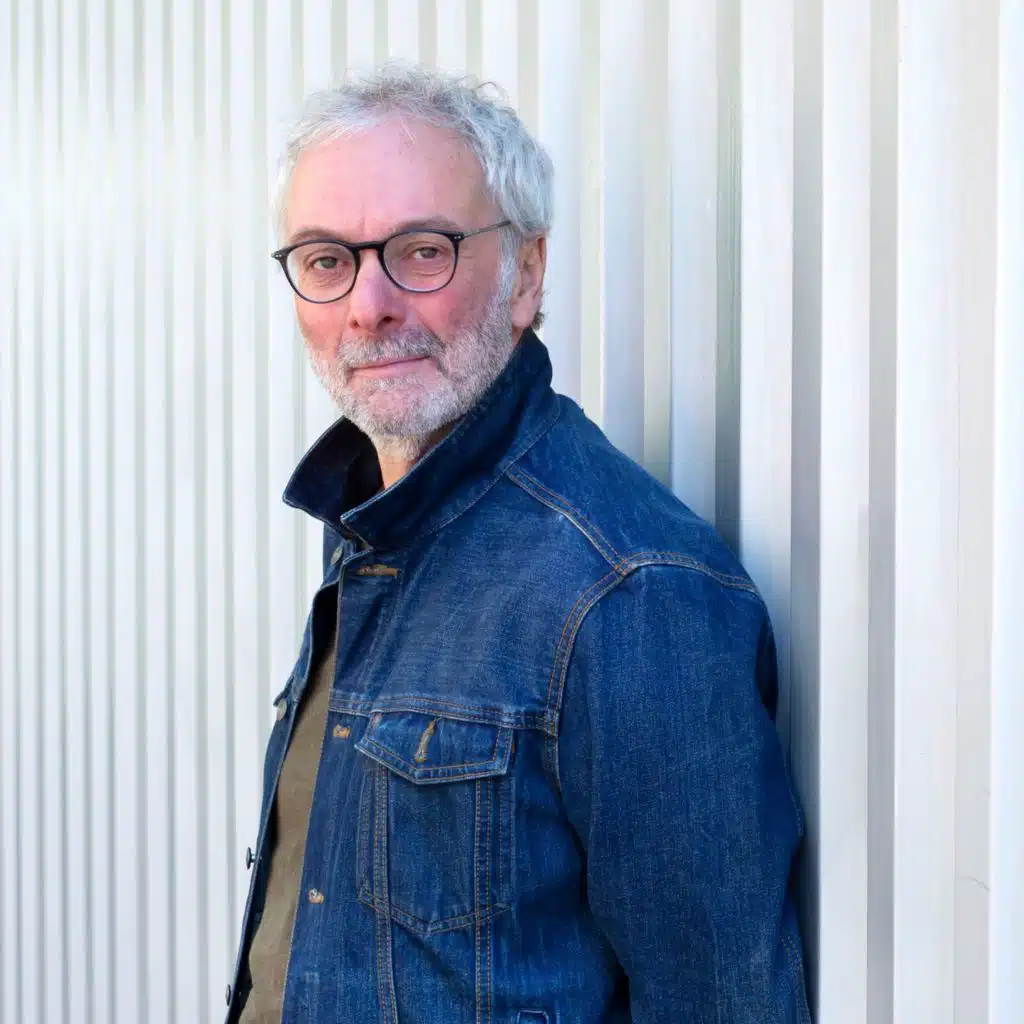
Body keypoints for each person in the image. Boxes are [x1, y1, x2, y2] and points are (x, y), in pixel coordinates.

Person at [227, 63, 810, 1024]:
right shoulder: (374, 527)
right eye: (328, 260)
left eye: (421, 250)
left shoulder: (627, 591)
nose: (369, 305)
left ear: (526, 273)